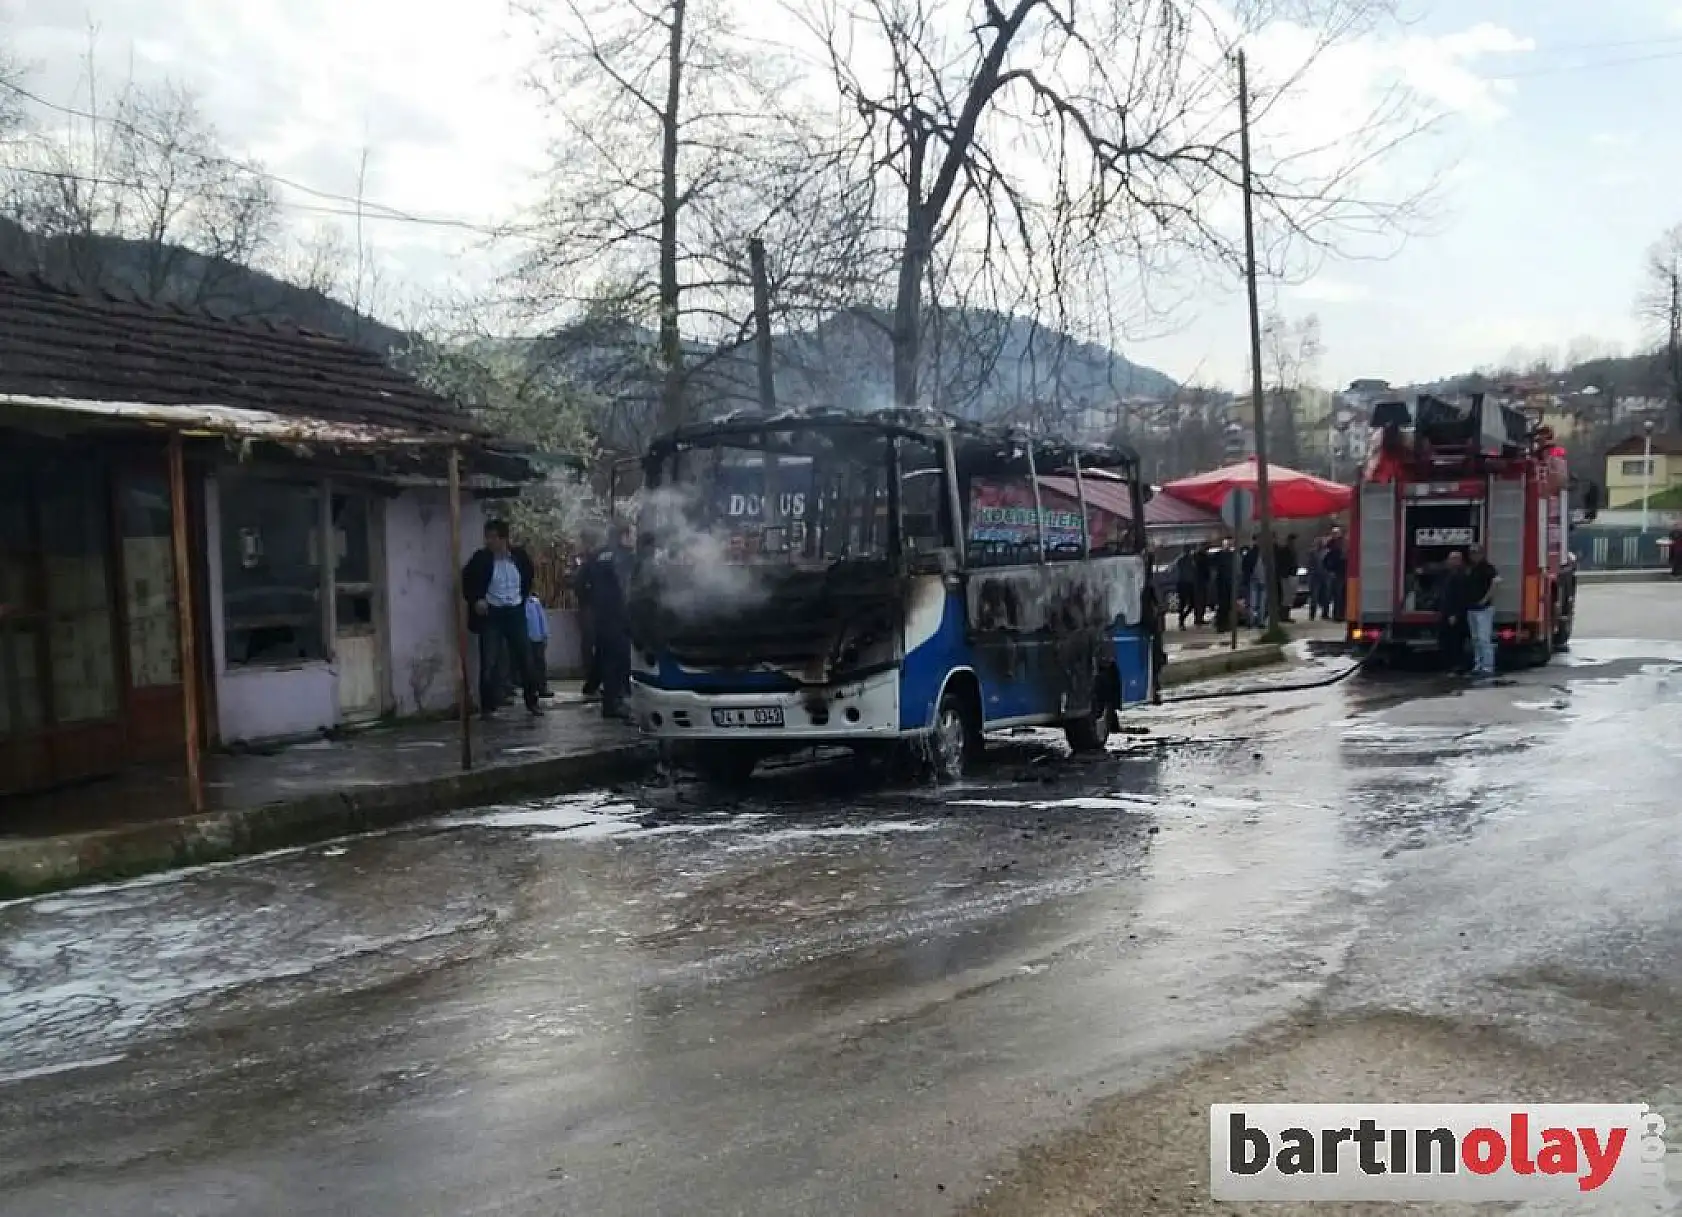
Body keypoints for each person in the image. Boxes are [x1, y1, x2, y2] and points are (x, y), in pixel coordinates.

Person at [462, 519, 543, 719]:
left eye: (493, 537)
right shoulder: (481, 559)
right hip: (493, 614)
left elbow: (528, 576)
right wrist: (476, 600)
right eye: (487, 537)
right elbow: (467, 580)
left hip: (515, 612)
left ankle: (532, 701)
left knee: (526, 658)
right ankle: (488, 707)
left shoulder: (518, 558)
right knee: (489, 661)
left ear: (504, 539)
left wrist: (522, 598)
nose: (489, 542)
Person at [578, 523, 634, 719]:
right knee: (621, 662)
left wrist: (592, 603)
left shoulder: (596, 556)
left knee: (606, 660)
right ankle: (619, 702)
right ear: (624, 536)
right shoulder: (626, 556)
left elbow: (579, 584)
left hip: (601, 618)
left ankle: (610, 704)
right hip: (620, 618)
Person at [573, 527, 603, 701]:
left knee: (592, 645)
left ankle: (593, 682)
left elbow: (579, 585)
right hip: (591, 608)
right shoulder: (588, 561)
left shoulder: (592, 561)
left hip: (592, 608)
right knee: (591, 645)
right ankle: (593, 682)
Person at [1464, 543, 1501, 679]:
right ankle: (1478, 665)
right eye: (1472, 553)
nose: (1474, 555)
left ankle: (1488, 667)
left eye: (1476, 552)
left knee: (1484, 639)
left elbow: (1496, 582)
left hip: (1484, 609)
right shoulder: (1470, 568)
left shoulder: (1488, 568)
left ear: (1482, 554)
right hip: (1471, 608)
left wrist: (1486, 599)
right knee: (1475, 639)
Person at [1436, 550, 1472, 674]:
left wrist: (1455, 614)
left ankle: (1457, 666)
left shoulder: (1461, 575)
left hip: (1455, 614)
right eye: (1451, 559)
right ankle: (1448, 665)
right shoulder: (1447, 573)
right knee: (1445, 640)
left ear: (1460, 561)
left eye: (1456, 559)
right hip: (1445, 612)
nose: (1453, 561)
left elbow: (1461, 597)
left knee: (1455, 641)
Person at [525, 591, 553, 699]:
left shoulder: (534, 602)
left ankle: (542, 688)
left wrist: (545, 635)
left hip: (537, 638)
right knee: (528, 665)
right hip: (526, 639)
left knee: (540, 664)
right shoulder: (518, 604)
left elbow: (542, 619)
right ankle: (531, 689)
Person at [1323, 529, 1348, 621]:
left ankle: (1341, 614)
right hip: (1337, 573)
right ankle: (1337, 615)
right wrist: (1330, 570)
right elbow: (1326, 561)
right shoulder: (1333, 549)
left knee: (1342, 595)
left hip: (1343, 573)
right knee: (1337, 595)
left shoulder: (1342, 550)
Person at [1212, 540, 1237, 634]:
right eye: (1227, 545)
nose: (1228, 546)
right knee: (1222, 605)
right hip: (1222, 583)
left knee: (1228, 605)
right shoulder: (1219, 555)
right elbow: (1215, 568)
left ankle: (1225, 624)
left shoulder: (1231, 555)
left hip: (1229, 583)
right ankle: (1221, 625)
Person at [1276, 533, 1299, 623]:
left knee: (1290, 597)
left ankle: (1286, 615)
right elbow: (1282, 563)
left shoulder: (1293, 550)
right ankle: (1284, 616)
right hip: (1286, 575)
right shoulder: (1285, 550)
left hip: (1292, 575)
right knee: (1286, 596)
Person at [1174, 549, 1198, 630]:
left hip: (1189, 583)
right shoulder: (1182, 560)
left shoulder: (1191, 560)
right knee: (1183, 603)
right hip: (1184, 583)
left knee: (1191, 603)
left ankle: (1182, 619)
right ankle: (1181, 621)